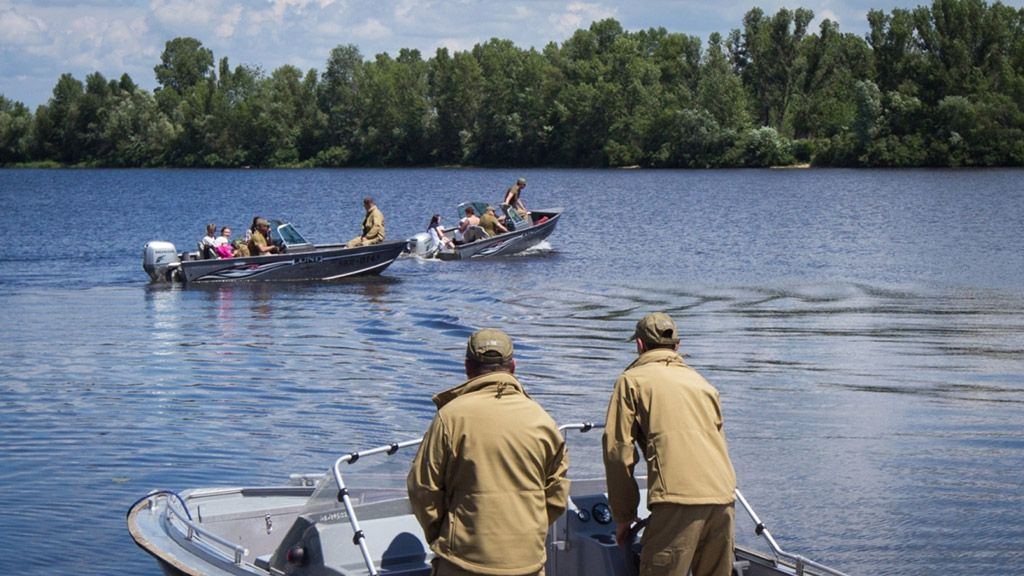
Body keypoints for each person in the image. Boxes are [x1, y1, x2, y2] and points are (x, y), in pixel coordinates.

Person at [408, 328, 570, 576]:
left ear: (467, 368)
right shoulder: (543, 420)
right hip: (527, 562)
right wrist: (527, 532)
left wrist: (445, 533)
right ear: (513, 366)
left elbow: (423, 489)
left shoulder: (450, 418)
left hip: (463, 560)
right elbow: (557, 494)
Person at [602, 312, 737, 576]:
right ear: (678, 346)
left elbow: (618, 453)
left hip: (676, 501)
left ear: (639, 346)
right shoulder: (703, 385)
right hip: (723, 499)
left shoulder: (631, 381)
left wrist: (624, 516)